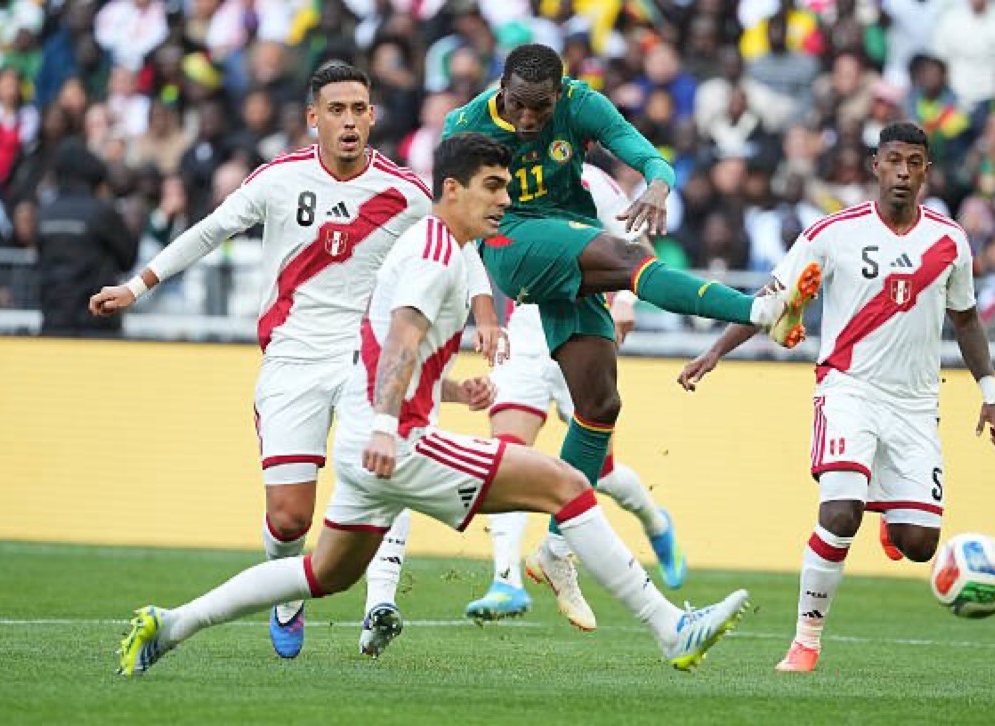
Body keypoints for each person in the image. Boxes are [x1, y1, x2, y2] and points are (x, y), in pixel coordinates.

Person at [116, 132, 751, 677]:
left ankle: (170, 626)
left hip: (369, 442)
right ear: (453, 191)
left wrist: (448, 389)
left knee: (323, 575)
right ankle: (673, 629)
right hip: (398, 443)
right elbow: (399, 344)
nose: (506, 201)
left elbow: (393, 356)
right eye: (494, 187)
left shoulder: (429, 243)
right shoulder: (436, 253)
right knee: (564, 482)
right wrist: (393, 427)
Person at [91, 61, 498, 661]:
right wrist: (137, 286)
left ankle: (380, 601)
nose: (350, 121)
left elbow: (460, 244)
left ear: (373, 116)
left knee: (384, 464)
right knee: (289, 518)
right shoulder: (277, 179)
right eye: (337, 110)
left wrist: (486, 314)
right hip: (292, 359)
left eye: (360, 109)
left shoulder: (406, 190)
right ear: (314, 119)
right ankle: (286, 592)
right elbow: (211, 230)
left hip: (367, 358)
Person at [442, 44, 802, 616]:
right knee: (632, 262)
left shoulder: (582, 106)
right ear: (500, 89)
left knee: (600, 407)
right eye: (517, 106)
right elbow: (452, 224)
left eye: (540, 108)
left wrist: (658, 184)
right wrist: (482, 307)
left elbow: (646, 155)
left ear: (559, 95)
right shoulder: (464, 128)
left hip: (572, 241)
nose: (528, 120)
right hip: (513, 245)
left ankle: (558, 549)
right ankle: (758, 311)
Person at [676, 122, 995, 673]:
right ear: (875, 165)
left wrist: (991, 394)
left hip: (915, 405)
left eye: (915, 163)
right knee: (839, 512)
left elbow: (968, 319)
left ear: (927, 171)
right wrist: (716, 352)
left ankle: (892, 515)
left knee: (920, 543)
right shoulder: (833, 233)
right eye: (894, 161)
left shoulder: (950, 241)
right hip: (847, 389)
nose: (903, 172)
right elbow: (773, 298)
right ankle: (806, 641)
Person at [467, 164, 688, 629]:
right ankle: (506, 580)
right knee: (507, 455)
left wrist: (625, 302)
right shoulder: (504, 178)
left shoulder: (590, 180)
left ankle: (655, 522)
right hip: (523, 335)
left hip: (581, 331)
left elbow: (637, 247)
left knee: (599, 472)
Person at [38, 138, 137, 336]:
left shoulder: (45, 213)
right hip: (96, 322)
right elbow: (128, 259)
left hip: (53, 318)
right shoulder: (102, 212)